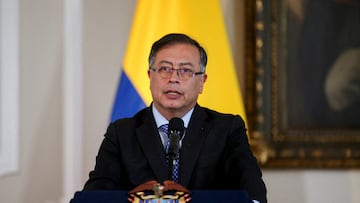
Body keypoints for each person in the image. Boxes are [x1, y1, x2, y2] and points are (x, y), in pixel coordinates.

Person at [83, 33, 267, 203]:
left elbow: (254, 197)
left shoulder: (227, 129)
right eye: (164, 69)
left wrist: (187, 199)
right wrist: (136, 199)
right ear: (150, 76)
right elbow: (95, 197)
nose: (173, 79)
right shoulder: (122, 133)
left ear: (202, 82)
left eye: (186, 71)